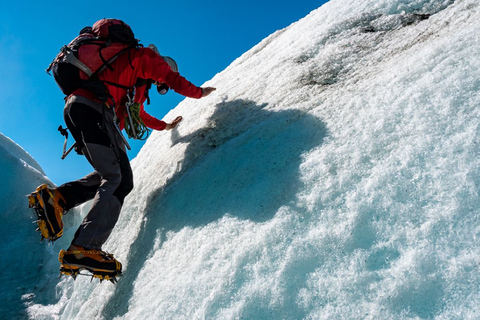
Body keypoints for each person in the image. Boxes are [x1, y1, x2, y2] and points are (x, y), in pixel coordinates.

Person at [28, 19, 216, 282]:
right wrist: (198, 93)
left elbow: (138, 116)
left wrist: (164, 126)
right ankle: (84, 247)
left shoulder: (127, 82)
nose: (157, 85)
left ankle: (58, 199)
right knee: (118, 179)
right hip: (92, 111)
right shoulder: (143, 57)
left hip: (78, 108)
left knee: (111, 175)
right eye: (158, 81)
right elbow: (171, 78)